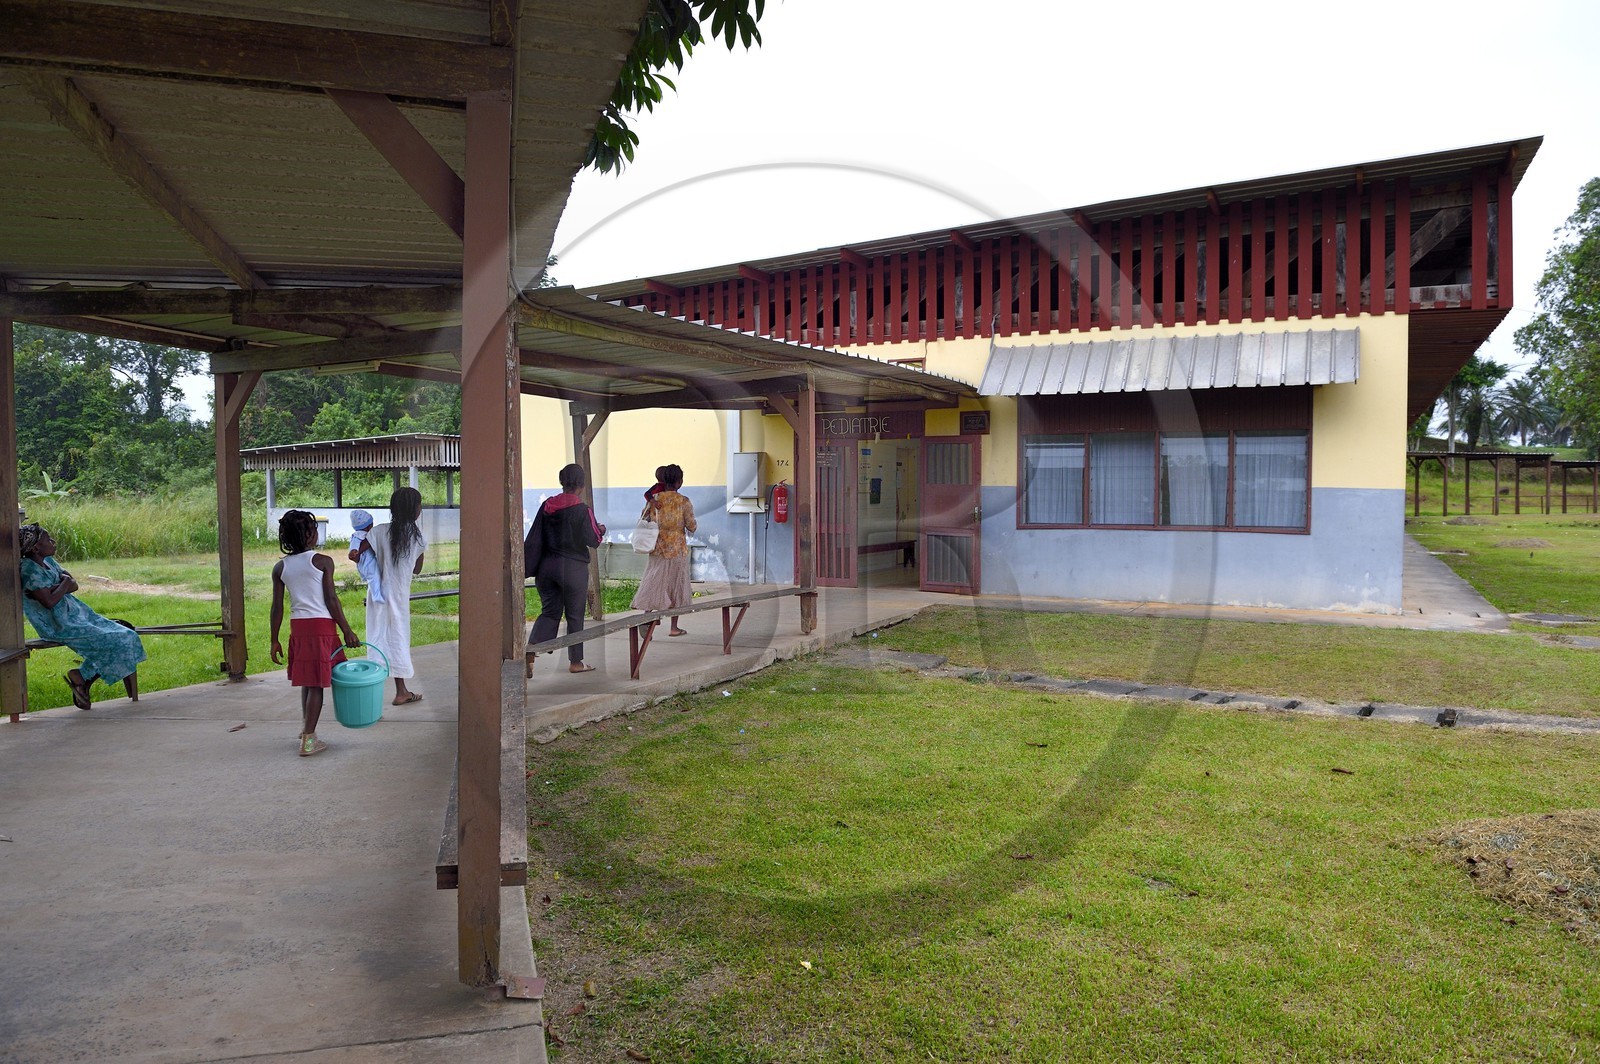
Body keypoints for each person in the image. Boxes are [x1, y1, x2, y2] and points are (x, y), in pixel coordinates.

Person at [18, 523, 145, 711]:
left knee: (126, 632)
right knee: (122, 638)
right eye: (48, 539)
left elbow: (74, 585)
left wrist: (63, 585)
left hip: (77, 615)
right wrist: (64, 583)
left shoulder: (48, 562)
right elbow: (49, 601)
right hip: (58, 624)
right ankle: (82, 677)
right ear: (36, 547)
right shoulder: (30, 570)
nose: (53, 541)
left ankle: (82, 676)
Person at [269, 510, 361, 757]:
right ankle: (309, 740)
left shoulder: (280, 567)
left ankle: (305, 729)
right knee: (318, 685)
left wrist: (274, 640)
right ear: (310, 534)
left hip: (298, 629)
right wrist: (347, 631)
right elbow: (331, 600)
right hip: (321, 628)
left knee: (307, 682)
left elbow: (277, 607)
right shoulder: (322, 561)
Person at [525, 463, 606, 674]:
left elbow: (534, 536)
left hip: (546, 569)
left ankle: (532, 649)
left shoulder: (546, 506)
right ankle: (576, 662)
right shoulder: (582, 509)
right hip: (573, 570)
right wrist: (601, 530)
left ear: (561, 481)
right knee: (574, 616)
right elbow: (594, 540)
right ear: (582, 484)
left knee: (550, 612)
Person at [366, 487, 426, 705]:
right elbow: (417, 569)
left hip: (377, 595)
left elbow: (361, 554)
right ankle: (401, 690)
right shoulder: (418, 538)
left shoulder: (378, 532)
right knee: (398, 638)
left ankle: (373, 691)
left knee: (377, 638)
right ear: (415, 510)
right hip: (399, 596)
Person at [630, 463, 697, 636]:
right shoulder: (683, 501)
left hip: (657, 549)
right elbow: (692, 526)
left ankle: (647, 617)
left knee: (655, 584)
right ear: (679, 482)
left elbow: (643, 518)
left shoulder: (654, 499)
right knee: (677, 587)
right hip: (677, 550)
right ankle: (674, 628)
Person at [346, 508, 384, 604]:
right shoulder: (359, 534)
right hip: (367, 561)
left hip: (369, 561)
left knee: (375, 576)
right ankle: (377, 596)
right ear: (368, 526)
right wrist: (354, 551)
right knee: (374, 577)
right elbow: (354, 544)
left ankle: (378, 594)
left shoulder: (366, 534)